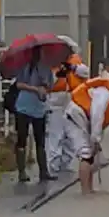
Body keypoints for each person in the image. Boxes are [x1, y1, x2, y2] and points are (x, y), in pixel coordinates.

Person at [64, 71, 109, 195]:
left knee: (91, 152)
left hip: (83, 119)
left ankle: (89, 190)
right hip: (75, 118)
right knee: (86, 154)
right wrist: (96, 138)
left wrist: (96, 139)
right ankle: (85, 192)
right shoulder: (104, 92)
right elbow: (97, 114)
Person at [13, 47, 57, 183]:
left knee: (40, 140)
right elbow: (19, 84)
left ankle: (43, 171)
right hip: (23, 107)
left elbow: (50, 86)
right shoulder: (24, 67)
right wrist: (34, 89)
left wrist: (44, 88)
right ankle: (21, 171)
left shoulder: (46, 68)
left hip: (39, 108)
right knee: (22, 138)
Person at [46, 47, 89, 175]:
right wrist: (59, 72)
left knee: (70, 134)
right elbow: (48, 81)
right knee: (56, 133)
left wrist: (71, 68)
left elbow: (85, 72)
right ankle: (53, 165)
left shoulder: (74, 62)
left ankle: (65, 162)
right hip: (55, 99)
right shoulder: (49, 63)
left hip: (71, 98)